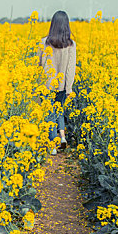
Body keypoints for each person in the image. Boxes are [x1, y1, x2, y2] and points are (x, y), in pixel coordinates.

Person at [38, 10, 76, 155]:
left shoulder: (44, 42)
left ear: (53, 24)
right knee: (58, 111)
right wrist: (69, 88)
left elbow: (38, 63)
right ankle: (62, 138)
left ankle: (53, 146)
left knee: (49, 114)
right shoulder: (71, 45)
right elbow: (70, 68)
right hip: (61, 85)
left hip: (46, 85)